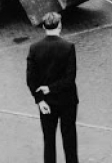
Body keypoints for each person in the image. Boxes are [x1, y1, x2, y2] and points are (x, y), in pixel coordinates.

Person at [27, 12, 79, 163]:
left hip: (46, 103)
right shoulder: (68, 47)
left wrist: (40, 100)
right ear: (60, 26)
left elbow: (31, 79)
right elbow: (70, 78)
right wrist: (51, 88)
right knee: (69, 138)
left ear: (44, 27)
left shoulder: (34, 48)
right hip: (67, 101)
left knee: (49, 140)